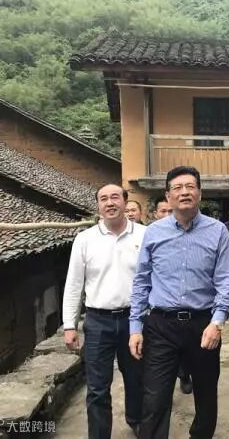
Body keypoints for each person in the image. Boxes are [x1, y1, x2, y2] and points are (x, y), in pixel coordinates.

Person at [129, 166, 229, 439]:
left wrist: (217, 322)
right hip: (161, 325)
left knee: (206, 395)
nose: (184, 192)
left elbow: (226, 280)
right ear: (168, 195)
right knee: (154, 398)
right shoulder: (154, 232)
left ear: (200, 193)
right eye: (177, 188)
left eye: (190, 186)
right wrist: (135, 327)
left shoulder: (217, 231)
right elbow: (142, 281)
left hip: (203, 324)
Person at [63, 184, 145, 439]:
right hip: (98, 321)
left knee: (137, 380)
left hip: (135, 320)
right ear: (98, 205)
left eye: (115, 197)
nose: (110, 203)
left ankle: (137, 420)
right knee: (97, 388)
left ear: (125, 202)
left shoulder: (144, 235)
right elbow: (74, 284)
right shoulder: (85, 239)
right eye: (103, 199)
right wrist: (69, 325)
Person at [149, 194, 192, 394]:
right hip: (158, 308)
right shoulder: (150, 234)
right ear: (155, 214)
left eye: (170, 211)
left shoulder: (186, 234)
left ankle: (184, 375)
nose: (167, 214)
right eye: (163, 211)